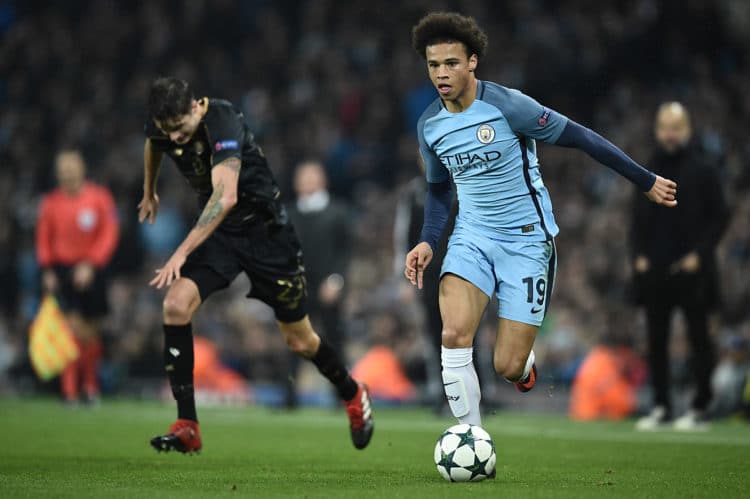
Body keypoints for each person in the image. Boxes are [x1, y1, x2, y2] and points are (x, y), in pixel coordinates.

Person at [403, 12, 677, 428]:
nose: (441, 73)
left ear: (472, 61)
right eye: (433, 65)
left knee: (507, 366)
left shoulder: (509, 107)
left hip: (526, 240)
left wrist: (645, 180)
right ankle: (471, 435)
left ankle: (522, 363)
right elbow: (439, 190)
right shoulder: (429, 126)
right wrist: (427, 240)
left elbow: (582, 137)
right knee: (453, 334)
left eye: (451, 63)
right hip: (471, 236)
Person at [140, 77, 373, 453]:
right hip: (221, 238)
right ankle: (187, 425)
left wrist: (182, 251)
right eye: (170, 131)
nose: (177, 138)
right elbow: (154, 143)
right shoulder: (164, 125)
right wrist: (149, 188)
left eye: (181, 128)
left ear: (196, 107)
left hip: (267, 236)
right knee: (175, 305)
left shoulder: (222, 120)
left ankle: (352, 392)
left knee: (300, 340)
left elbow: (226, 194)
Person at [632, 102, 729, 431]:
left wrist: (700, 254)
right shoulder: (647, 168)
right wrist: (638, 255)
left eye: (676, 127)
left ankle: (701, 405)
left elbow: (720, 217)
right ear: (657, 131)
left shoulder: (703, 169)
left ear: (687, 130)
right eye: (664, 127)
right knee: (656, 340)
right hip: (656, 268)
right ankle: (661, 405)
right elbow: (636, 217)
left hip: (692, 269)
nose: (670, 134)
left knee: (699, 339)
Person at [36, 148, 120, 404]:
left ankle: (90, 386)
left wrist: (91, 264)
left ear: (82, 170)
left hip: (93, 271)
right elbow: (43, 238)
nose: (67, 174)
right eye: (63, 171)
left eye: (71, 169)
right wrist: (47, 269)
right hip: (62, 270)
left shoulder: (99, 198)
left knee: (90, 334)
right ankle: (70, 391)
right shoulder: (50, 202)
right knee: (70, 330)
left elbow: (109, 233)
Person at [285, 160, 351, 408]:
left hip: (328, 287)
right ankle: (289, 394)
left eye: (312, 176)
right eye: (302, 177)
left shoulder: (338, 212)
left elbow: (345, 253)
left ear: (323, 179)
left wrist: (336, 280)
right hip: (298, 287)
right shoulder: (288, 214)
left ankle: (341, 393)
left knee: (334, 340)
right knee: (293, 339)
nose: (306, 181)